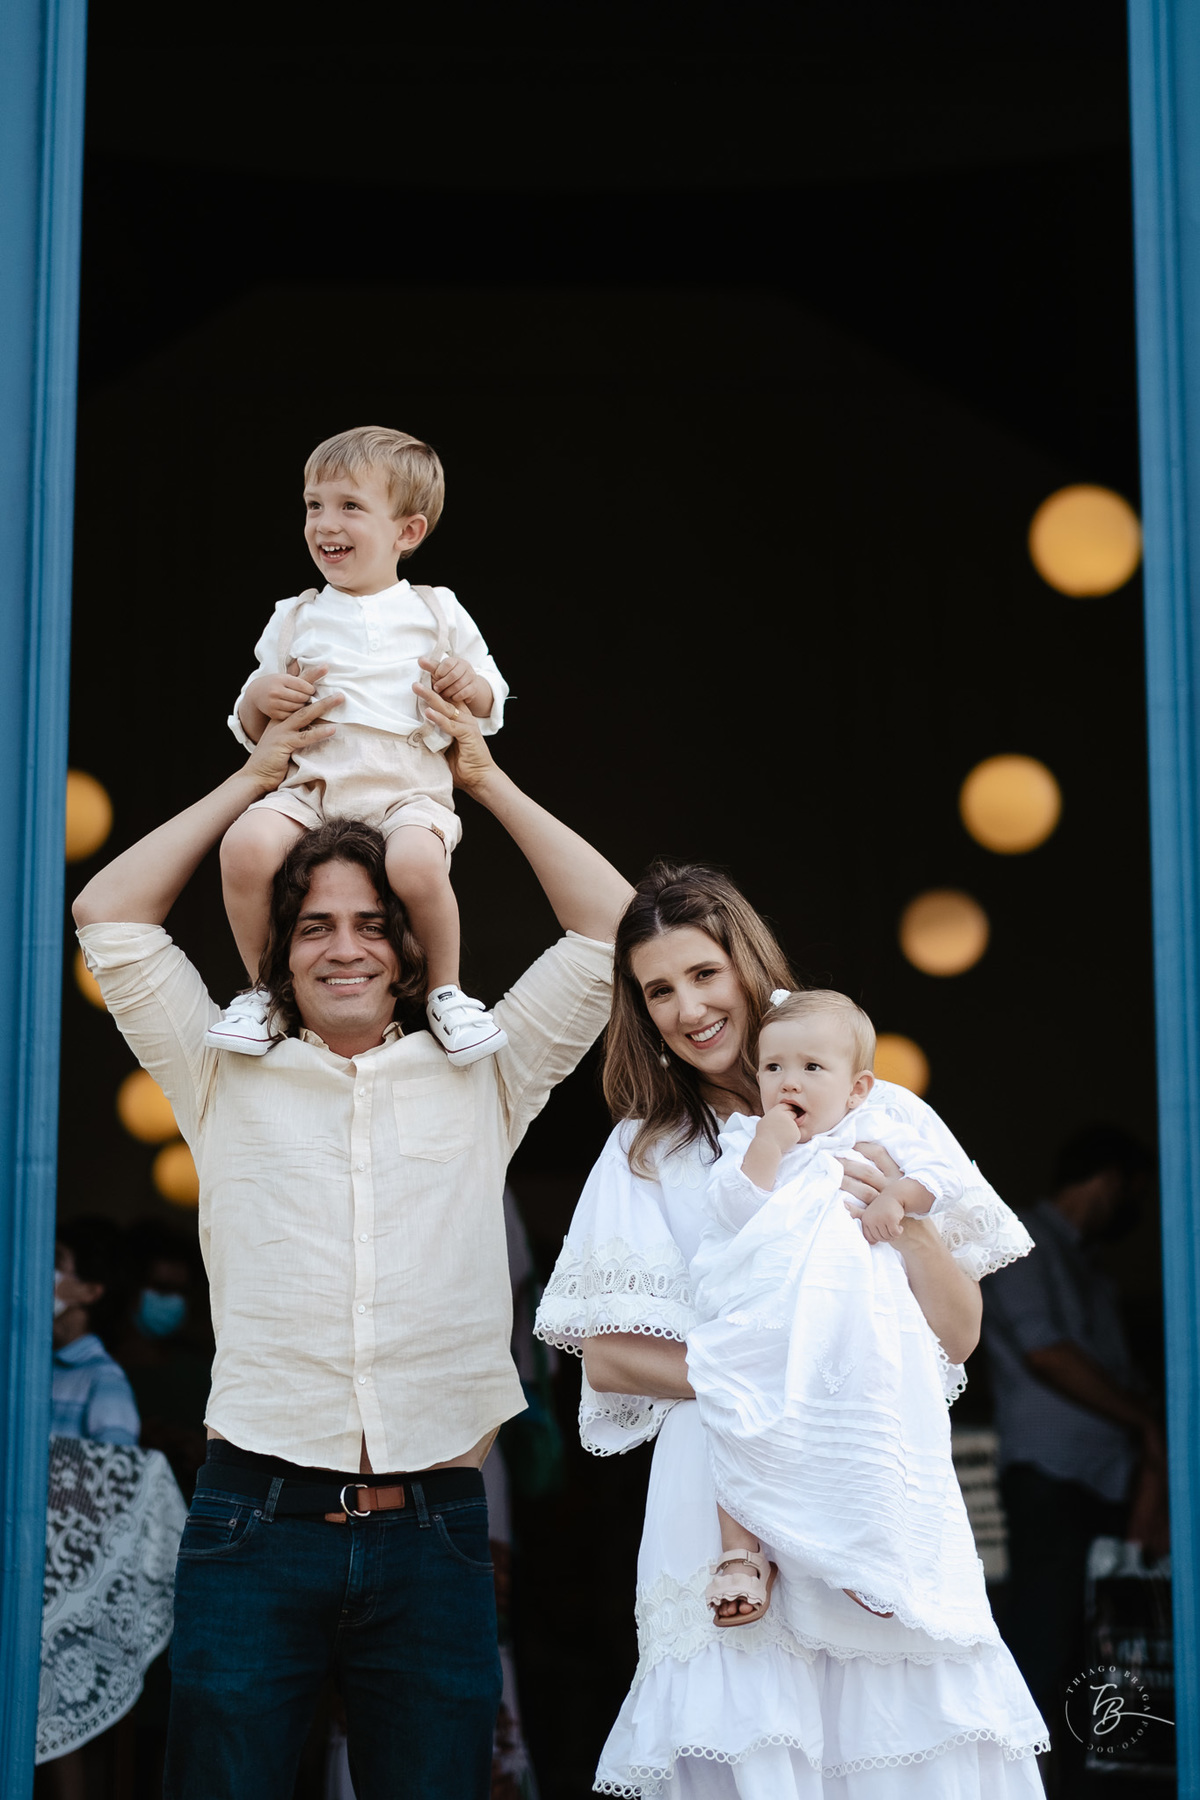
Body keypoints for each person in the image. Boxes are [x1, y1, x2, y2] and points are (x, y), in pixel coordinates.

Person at [72, 681, 632, 1800]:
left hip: (434, 1532)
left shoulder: (489, 1071)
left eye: (375, 923)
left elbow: (614, 926)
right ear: (279, 945)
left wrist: (484, 782)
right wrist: (251, 779)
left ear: (415, 942)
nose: (346, 949)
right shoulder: (217, 1065)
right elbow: (109, 912)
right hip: (252, 1522)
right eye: (316, 924)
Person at [535, 862, 1048, 1797]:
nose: (688, 1008)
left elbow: (962, 1333)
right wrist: (772, 1363)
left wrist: (914, 1226)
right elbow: (607, 1355)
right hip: (725, 1495)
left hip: (876, 1471)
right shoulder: (650, 1150)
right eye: (658, 990)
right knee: (754, 1746)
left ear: (746, 964)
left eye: (703, 974)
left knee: (905, 1743)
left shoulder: (883, 1115)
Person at [687, 988, 1032, 1642]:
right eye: (773, 1068)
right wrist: (769, 1144)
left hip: (856, 1325)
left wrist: (899, 1196)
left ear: (857, 1088)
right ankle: (743, 1553)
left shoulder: (880, 1129)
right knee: (738, 1414)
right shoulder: (744, 1141)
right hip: (770, 1321)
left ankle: (867, 1552)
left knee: (870, 1426)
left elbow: (944, 1176)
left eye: (811, 1069)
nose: (789, 1081)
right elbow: (733, 1208)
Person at [210, 423, 511, 1065]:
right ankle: (265, 991)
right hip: (312, 790)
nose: (324, 523)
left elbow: (490, 700)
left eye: (349, 506)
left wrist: (469, 685)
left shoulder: (437, 610)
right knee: (244, 847)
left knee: (417, 867)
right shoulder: (294, 615)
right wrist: (264, 698)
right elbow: (251, 720)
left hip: (408, 791)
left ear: (407, 532)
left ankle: (447, 993)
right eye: (314, 505)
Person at [982, 1125, 1163, 1786]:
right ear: (1111, 1182)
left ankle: (1076, 1782)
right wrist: (1145, 1421)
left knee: (1097, 1654)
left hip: (1106, 1482)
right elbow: (1046, 1353)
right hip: (1052, 1480)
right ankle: (1023, 1787)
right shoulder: (1021, 1244)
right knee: (1044, 1645)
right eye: (1134, 1193)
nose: (1134, 1210)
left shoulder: (1088, 1265)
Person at [52, 1218, 140, 1447]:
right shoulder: (25, 1364)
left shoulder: (104, 1378)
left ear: (90, 1291)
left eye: (56, 1261)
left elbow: (115, 1473)